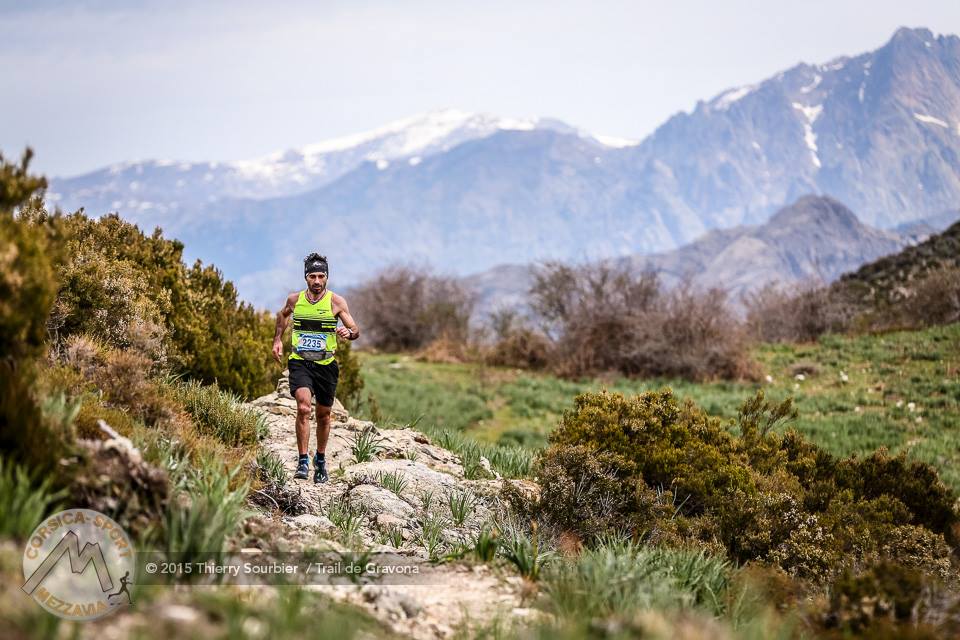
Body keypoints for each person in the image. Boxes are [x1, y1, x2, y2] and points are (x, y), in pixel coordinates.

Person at [273, 253, 360, 483]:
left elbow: (355, 329)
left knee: (323, 415)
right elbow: (282, 316)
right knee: (303, 408)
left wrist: (348, 333)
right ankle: (303, 460)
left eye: (322, 276)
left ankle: (320, 460)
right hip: (300, 361)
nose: (317, 281)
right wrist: (277, 340)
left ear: (327, 278)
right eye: (313, 276)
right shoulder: (294, 300)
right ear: (306, 278)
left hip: (326, 365)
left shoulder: (336, 302)